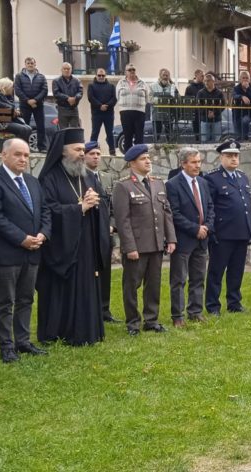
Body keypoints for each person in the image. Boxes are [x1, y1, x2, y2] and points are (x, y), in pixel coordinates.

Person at [0, 138, 50, 363]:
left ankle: (23, 341)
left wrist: (43, 234)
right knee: (5, 301)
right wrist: (22, 239)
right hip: (5, 254)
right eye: (18, 154)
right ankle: (6, 346)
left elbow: (45, 211)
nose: (23, 159)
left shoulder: (32, 182)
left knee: (26, 298)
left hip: (32, 251)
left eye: (27, 155)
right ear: (4, 155)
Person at [36, 128, 109, 345]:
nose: (82, 153)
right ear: (63, 151)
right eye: (77, 149)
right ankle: (59, 332)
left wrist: (96, 203)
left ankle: (87, 330)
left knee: (87, 283)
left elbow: (102, 203)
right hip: (62, 245)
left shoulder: (86, 176)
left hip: (86, 242)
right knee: (62, 290)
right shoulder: (50, 178)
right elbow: (47, 210)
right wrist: (79, 208)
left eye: (82, 149)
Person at [112, 144, 177, 336]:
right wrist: (129, 247)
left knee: (154, 285)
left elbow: (167, 213)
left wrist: (170, 238)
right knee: (132, 286)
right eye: (143, 158)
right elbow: (122, 221)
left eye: (149, 158)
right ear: (132, 162)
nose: (148, 161)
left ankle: (151, 320)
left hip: (156, 243)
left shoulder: (158, 183)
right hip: (137, 247)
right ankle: (133, 323)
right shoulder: (123, 186)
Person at [204, 140, 251, 315]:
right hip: (222, 234)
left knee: (236, 271)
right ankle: (213, 305)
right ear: (221, 157)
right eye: (229, 156)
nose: (234, 159)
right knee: (216, 272)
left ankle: (234, 302)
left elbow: (247, 205)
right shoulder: (212, 178)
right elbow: (209, 206)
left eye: (236, 155)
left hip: (241, 233)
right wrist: (212, 231)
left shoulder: (242, 177)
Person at [166, 148, 214, 325]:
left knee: (198, 277)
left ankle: (195, 311)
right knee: (179, 279)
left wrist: (207, 227)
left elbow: (210, 207)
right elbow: (174, 213)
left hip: (202, 240)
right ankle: (177, 316)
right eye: (194, 162)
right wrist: (195, 229)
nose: (198, 165)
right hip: (184, 239)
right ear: (183, 163)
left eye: (199, 161)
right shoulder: (172, 184)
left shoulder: (203, 182)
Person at [82, 141, 116, 323]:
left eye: (97, 153)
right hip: (90, 234)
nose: (95, 157)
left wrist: (111, 225)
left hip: (106, 234)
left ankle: (105, 309)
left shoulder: (107, 178)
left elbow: (113, 206)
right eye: (91, 154)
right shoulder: (81, 178)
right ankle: (91, 309)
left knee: (106, 272)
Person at [14, 57, 48, 152]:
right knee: (24, 126)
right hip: (24, 105)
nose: (30, 65)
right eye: (28, 63)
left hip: (38, 105)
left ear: (35, 64)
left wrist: (35, 100)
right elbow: (17, 90)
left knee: (41, 126)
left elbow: (44, 90)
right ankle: (23, 147)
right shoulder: (19, 76)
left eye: (32, 63)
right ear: (25, 64)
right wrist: (28, 100)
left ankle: (42, 147)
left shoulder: (41, 76)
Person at [116, 64, 151, 151]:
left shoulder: (143, 83)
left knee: (139, 134)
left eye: (133, 70)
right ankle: (128, 154)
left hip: (139, 112)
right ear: (126, 72)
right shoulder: (120, 83)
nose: (132, 71)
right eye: (130, 70)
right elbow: (117, 96)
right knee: (127, 134)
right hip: (125, 112)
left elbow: (147, 98)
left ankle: (138, 154)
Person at [0, 78, 33, 143]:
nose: (12, 89)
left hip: (7, 121)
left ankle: (22, 147)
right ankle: (19, 147)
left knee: (28, 128)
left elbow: (11, 105)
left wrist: (15, 110)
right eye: (11, 87)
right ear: (6, 87)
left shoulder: (7, 95)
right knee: (23, 129)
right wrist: (11, 108)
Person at [88, 68, 119, 155]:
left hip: (108, 114)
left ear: (105, 76)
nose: (101, 77)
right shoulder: (91, 86)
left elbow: (114, 98)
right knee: (95, 133)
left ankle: (112, 151)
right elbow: (91, 98)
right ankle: (91, 150)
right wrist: (100, 106)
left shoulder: (112, 86)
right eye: (99, 75)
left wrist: (107, 106)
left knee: (110, 133)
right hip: (96, 113)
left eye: (103, 75)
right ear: (96, 76)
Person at [150, 68, 179, 143]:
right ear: (160, 76)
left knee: (170, 136)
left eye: (167, 75)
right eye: (164, 75)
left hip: (168, 115)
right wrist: (160, 101)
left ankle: (170, 149)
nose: (165, 77)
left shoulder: (172, 86)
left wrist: (175, 92)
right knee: (156, 135)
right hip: (156, 115)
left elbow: (177, 99)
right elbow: (149, 99)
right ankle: (156, 149)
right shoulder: (152, 86)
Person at [196, 74, 225, 144]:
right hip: (204, 119)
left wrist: (214, 113)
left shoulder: (219, 93)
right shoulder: (200, 93)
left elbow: (223, 105)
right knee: (204, 140)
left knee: (217, 141)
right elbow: (198, 105)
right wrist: (207, 113)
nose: (206, 82)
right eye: (205, 81)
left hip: (217, 119)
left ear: (213, 81)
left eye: (208, 80)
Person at [53, 62, 83, 129]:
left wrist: (75, 98)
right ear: (61, 70)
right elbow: (56, 93)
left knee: (74, 130)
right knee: (63, 131)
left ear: (71, 70)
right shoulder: (56, 81)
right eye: (65, 69)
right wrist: (67, 98)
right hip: (62, 109)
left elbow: (80, 92)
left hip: (74, 109)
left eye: (68, 69)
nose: (66, 70)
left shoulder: (77, 81)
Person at [232, 71, 251, 142]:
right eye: (243, 78)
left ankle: (245, 137)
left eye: (247, 78)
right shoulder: (236, 88)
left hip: (248, 113)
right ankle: (240, 139)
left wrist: (248, 89)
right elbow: (234, 95)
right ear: (240, 79)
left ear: (249, 79)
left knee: (245, 120)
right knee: (238, 133)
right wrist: (242, 96)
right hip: (237, 113)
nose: (245, 80)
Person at [184, 69, 206, 143]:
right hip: (194, 112)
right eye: (202, 76)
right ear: (196, 75)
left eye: (203, 76)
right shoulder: (189, 87)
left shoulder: (205, 87)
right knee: (196, 128)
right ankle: (197, 140)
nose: (203, 77)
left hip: (203, 112)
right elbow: (186, 99)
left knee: (203, 129)